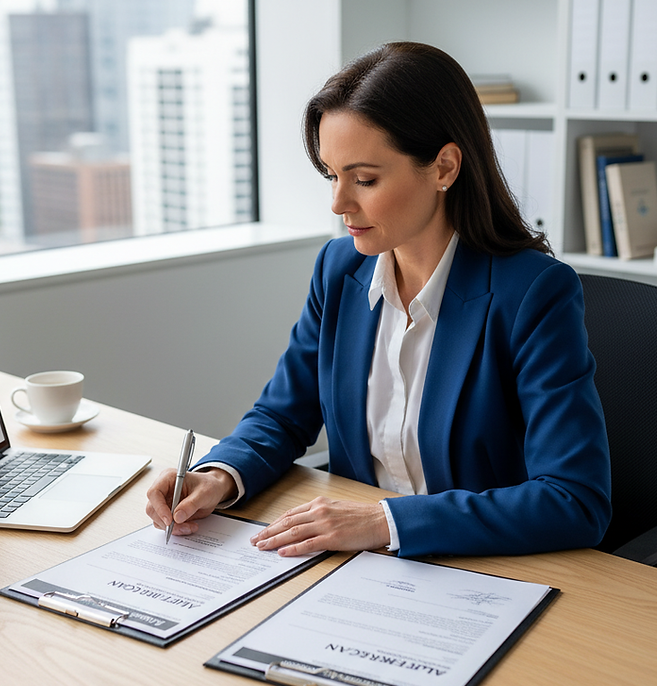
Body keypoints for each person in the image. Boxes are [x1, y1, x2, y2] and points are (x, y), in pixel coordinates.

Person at [145, 41, 611, 559]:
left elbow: (574, 500)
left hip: (479, 569)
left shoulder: (533, 293)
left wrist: (383, 522)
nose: (339, 203)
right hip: (355, 569)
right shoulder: (338, 269)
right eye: (332, 175)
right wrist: (216, 476)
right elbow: (281, 416)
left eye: (364, 179)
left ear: (443, 168)